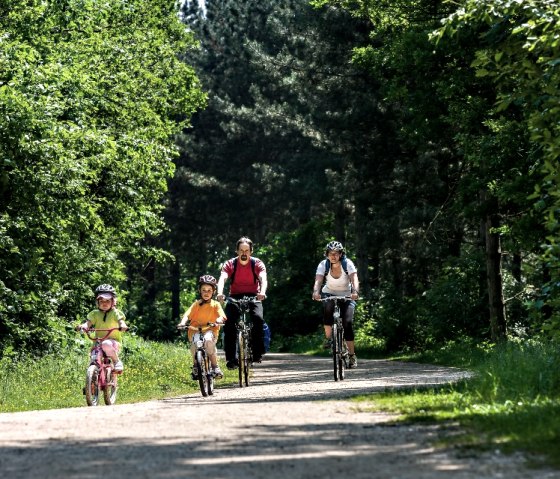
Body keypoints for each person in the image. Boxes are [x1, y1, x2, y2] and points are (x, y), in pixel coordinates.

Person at [217, 236, 268, 370]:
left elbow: (263, 278)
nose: (244, 253)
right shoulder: (230, 264)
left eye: (246, 250)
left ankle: (257, 352)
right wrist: (219, 293)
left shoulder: (256, 263)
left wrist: (262, 291)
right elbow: (223, 278)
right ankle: (231, 359)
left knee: (258, 319)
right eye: (241, 250)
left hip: (254, 295)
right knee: (228, 323)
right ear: (237, 251)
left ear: (251, 251)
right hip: (234, 296)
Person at [312, 241, 360, 368]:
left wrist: (355, 291)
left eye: (336, 253)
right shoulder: (323, 264)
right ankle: (329, 338)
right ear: (327, 254)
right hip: (329, 293)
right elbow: (318, 280)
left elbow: (354, 278)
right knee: (328, 308)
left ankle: (351, 355)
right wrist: (316, 292)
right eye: (330, 253)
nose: (333, 256)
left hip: (347, 295)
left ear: (341, 254)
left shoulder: (347, 263)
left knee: (347, 323)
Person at [177, 275, 226, 379]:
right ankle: (195, 366)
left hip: (210, 329)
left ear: (213, 291)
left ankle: (215, 367)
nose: (206, 292)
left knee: (208, 341)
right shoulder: (196, 304)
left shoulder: (216, 304)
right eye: (204, 290)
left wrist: (218, 320)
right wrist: (182, 322)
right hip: (195, 329)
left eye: (209, 290)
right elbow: (187, 315)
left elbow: (222, 316)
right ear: (200, 291)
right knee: (195, 344)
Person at [77, 284, 128, 372]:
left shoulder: (115, 313)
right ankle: (92, 382)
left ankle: (116, 361)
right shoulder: (95, 313)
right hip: (98, 343)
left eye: (107, 301)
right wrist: (83, 327)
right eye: (101, 301)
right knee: (93, 359)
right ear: (97, 302)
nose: (104, 303)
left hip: (113, 343)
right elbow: (88, 323)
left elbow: (121, 321)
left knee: (106, 344)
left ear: (113, 301)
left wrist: (122, 325)